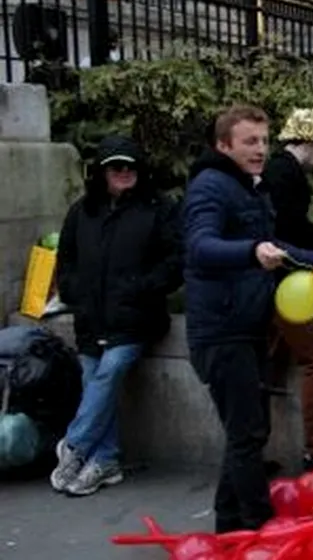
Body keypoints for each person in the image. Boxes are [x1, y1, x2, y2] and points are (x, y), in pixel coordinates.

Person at [183, 105, 313, 533]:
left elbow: (272, 243)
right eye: (249, 142)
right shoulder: (210, 187)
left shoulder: (248, 188)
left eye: (263, 140)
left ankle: (229, 525)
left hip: (245, 327)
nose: (260, 149)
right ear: (223, 145)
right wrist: (250, 253)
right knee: (247, 434)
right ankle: (257, 527)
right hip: (220, 331)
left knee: (250, 432)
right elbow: (200, 246)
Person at [50, 136, 183, 496]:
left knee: (108, 373)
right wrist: (75, 292)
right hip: (92, 318)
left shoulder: (159, 208)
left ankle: (75, 445)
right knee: (95, 379)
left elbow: (175, 261)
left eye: (130, 166)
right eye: (115, 167)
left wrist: (141, 289)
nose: (124, 173)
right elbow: (66, 260)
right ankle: (105, 460)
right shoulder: (82, 211)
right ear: (102, 172)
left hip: (137, 318)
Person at [261, 108, 313, 473]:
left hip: (266, 281)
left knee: (264, 366)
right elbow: (287, 225)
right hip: (284, 283)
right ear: (310, 142)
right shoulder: (287, 173)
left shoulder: (276, 170)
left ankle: (252, 452)